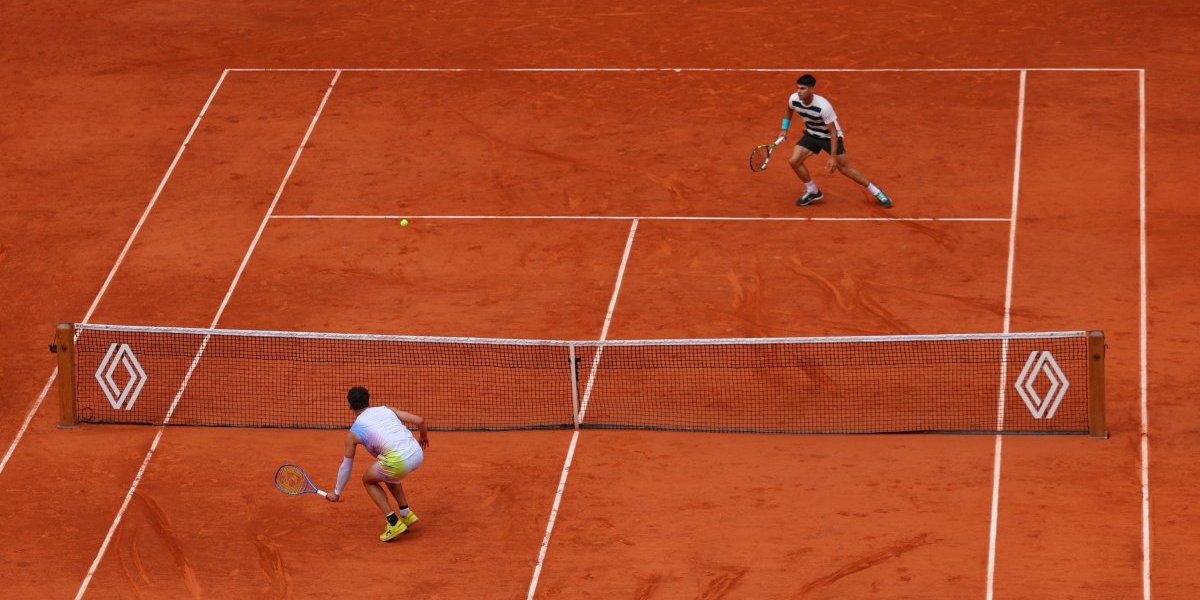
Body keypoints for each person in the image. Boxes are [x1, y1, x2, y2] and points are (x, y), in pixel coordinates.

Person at [326, 386, 430, 542]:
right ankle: (405, 513)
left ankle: (393, 522)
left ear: (350, 406)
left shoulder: (353, 433)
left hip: (398, 462)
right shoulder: (386, 409)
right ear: (368, 400)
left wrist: (337, 491)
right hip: (417, 453)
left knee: (368, 480)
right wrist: (423, 437)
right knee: (386, 471)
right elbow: (420, 421)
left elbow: (346, 465)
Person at [779, 73, 893, 208]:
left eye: (803, 88)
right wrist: (784, 129)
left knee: (845, 169)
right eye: (798, 88)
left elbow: (833, 133)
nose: (799, 91)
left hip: (829, 137)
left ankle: (876, 191)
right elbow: (788, 110)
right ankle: (813, 191)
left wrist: (833, 157)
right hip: (812, 134)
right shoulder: (794, 99)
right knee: (794, 161)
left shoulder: (823, 106)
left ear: (811, 89)